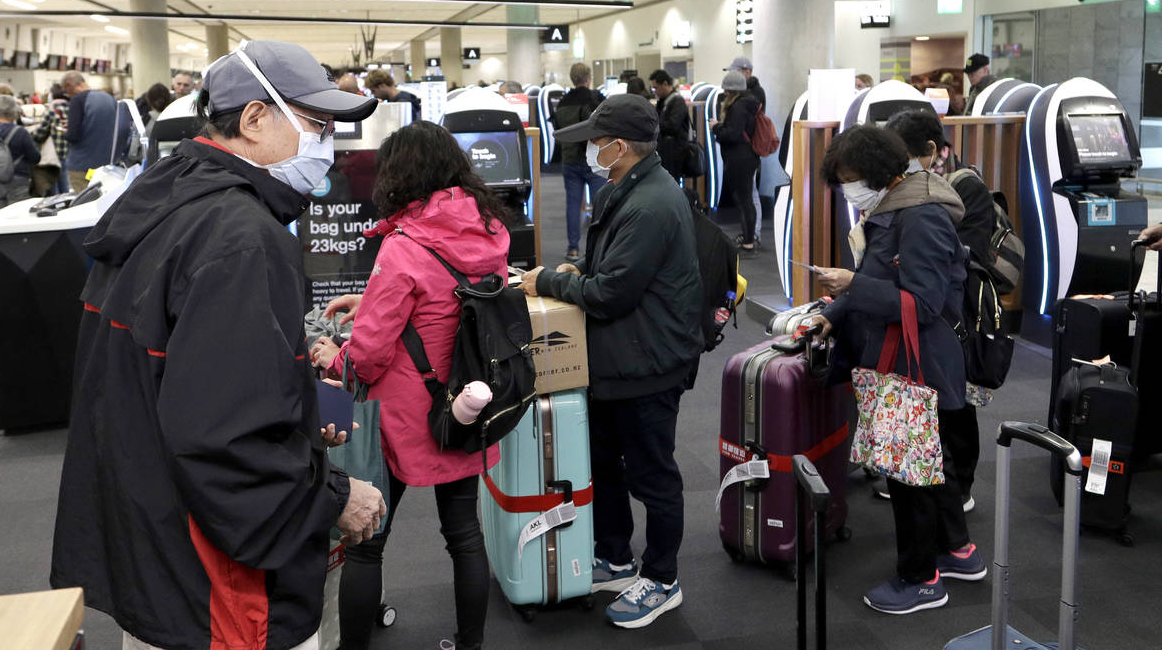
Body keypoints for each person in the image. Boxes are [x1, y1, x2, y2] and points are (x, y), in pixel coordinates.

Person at [50, 39, 386, 650]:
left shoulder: (165, 200)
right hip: (220, 584)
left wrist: (292, 395)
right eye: (317, 122)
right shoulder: (240, 238)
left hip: (156, 541)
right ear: (255, 119)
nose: (328, 142)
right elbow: (224, 437)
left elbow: (179, 377)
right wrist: (334, 495)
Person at [308, 120, 512, 650]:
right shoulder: (488, 228)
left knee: (365, 542)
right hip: (465, 404)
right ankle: (470, 644)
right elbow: (452, 304)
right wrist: (371, 301)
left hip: (401, 417)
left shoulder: (403, 245)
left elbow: (370, 355)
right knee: (465, 536)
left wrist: (333, 354)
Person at [520, 94, 703, 630]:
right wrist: (576, 267)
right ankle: (617, 556)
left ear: (619, 147)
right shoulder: (628, 189)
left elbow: (612, 293)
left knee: (654, 474)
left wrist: (550, 280)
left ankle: (663, 578)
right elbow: (607, 268)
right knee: (605, 464)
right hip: (621, 359)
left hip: (648, 363)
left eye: (598, 143)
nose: (592, 152)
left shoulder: (650, 202)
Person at [805, 124, 984, 616]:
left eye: (851, 178)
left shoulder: (920, 215)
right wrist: (832, 312)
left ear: (881, 173)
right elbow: (878, 279)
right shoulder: (895, 206)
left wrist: (850, 287)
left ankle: (920, 578)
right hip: (912, 356)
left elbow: (922, 303)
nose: (848, 189)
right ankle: (958, 552)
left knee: (910, 472)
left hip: (918, 360)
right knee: (928, 462)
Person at [883, 109, 995, 513]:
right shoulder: (916, 190)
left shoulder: (964, 188)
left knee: (957, 405)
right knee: (934, 402)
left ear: (933, 150)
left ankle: (960, 486)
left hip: (958, 314)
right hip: (932, 313)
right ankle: (923, 476)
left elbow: (969, 257)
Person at [554, 62, 607, 262]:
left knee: (573, 205)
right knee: (600, 205)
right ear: (588, 77)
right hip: (594, 159)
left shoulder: (563, 102)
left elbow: (558, 129)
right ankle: (598, 249)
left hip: (569, 160)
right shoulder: (595, 98)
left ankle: (573, 248)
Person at [710, 71, 761, 256]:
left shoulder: (738, 107)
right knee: (746, 199)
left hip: (740, 158)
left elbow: (732, 134)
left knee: (745, 200)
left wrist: (716, 127)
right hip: (747, 157)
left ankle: (748, 241)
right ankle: (749, 238)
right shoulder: (748, 104)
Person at [61, 71, 131, 191]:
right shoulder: (109, 98)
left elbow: (73, 136)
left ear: (69, 85)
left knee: (84, 205)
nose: (67, 94)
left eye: (66, 90)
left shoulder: (77, 101)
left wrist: (63, 132)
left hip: (82, 167)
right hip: (106, 167)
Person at [649, 69, 691, 181]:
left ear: (665, 84)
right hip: (664, 151)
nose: (654, 91)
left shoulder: (677, 101)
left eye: (655, 88)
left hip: (675, 153)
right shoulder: (661, 101)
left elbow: (673, 126)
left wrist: (655, 123)